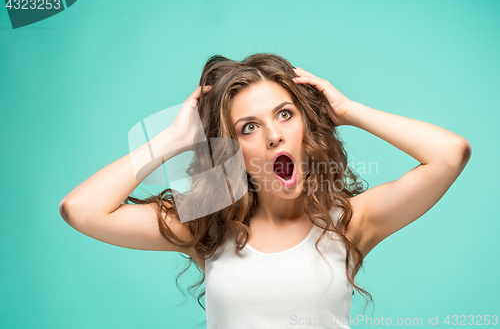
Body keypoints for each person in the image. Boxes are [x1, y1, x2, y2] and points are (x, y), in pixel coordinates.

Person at [59, 53, 472, 328]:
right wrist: (172, 138)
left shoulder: (351, 223)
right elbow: (80, 209)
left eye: (285, 114)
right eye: (249, 127)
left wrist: (348, 111)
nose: (274, 135)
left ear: (306, 126)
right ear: (231, 148)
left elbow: (451, 154)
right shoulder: (207, 228)